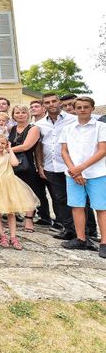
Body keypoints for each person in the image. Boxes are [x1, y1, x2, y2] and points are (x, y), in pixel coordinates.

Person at [36, 93, 96, 239]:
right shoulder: (40, 124)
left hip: (73, 166)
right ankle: (69, 230)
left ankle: (89, 231)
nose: (51, 104)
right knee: (60, 199)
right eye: (47, 102)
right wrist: (40, 165)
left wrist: (81, 167)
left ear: (59, 103)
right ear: (44, 106)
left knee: (82, 200)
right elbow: (39, 146)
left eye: (54, 101)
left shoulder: (74, 120)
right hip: (52, 166)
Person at [59, 96, 106, 257]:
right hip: (72, 173)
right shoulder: (68, 128)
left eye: (86, 107)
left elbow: (102, 150)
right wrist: (73, 170)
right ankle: (81, 238)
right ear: (74, 109)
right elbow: (64, 151)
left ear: (92, 108)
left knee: (101, 208)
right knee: (77, 206)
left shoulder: (100, 126)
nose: (82, 110)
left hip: (96, 172)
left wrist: (81, 168)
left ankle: (104, 242)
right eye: (79, 107)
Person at [0, 134, 38, 250]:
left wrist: (10, 150)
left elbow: (15, 163)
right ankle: (2, 235)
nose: (0, 145)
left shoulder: (7, 155)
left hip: (9, 186)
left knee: (11, 212)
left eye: (3, 143)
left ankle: (13, 237)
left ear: (6, 144)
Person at [8, 105, 49, 228]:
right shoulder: (12, 128)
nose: (20, 115)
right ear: (13, 115)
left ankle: (29, 219)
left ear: (28, 114)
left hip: (28, 163)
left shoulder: (34, 128)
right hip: (13, 162)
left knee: (31, 191)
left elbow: (26, 146)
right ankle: (15, 217)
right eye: (17, 112)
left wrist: (7, 149)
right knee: (16, 191)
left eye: (23, 112)